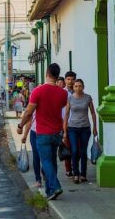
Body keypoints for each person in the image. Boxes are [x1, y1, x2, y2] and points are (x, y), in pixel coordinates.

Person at [17, 63, 68, 200]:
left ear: (47, 73)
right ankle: (50, 191)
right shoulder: (63, 93)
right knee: (52, 161)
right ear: (57, 75)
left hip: (43, 133)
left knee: (45, 161)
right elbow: (61, 108)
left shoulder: (38, 91)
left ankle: (56, 186)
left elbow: (28, 112)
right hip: (57, 133)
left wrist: (20, 126)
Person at [63, 79, 98, 184]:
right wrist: (65, 130)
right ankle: (76, 174)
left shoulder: (87, 98)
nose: (78, 88)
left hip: (85, 128)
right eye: (76, 86)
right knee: (74, 150)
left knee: (83, 151)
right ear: (73, 87)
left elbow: (93, 113)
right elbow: (67, 114)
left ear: (83, 87)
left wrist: (94, 127)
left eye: (80, 86)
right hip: (72, 128)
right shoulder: (70, 98)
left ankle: (83, 174)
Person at [21, 112, 43, 188]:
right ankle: (38, 179)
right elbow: (29, 120)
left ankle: (45, 173)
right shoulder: (33, 102)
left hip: (45, 133)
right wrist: (25, 135)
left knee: (44, 156)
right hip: (34, 133)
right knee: (36, 156)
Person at [62, 71, 76, 177]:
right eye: (68, 79)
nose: (70, 82)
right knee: (67, 148)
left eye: (72, 79)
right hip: (65, 125)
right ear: (65, 80)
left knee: (77, 149)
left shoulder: (78, 93)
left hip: (76, 124)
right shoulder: (61, 93)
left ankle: (75, 166)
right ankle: (68, 169)